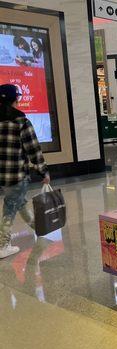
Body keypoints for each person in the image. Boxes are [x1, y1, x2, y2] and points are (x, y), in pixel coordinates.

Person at [0, 84, 50, 258]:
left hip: (2, 176)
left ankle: (38, 228)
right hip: (17, 175)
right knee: (10, 208)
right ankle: (3, 245)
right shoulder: (21, 122)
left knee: (18, 201)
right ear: (16, 99)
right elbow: (34, 150)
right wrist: (43, 172)